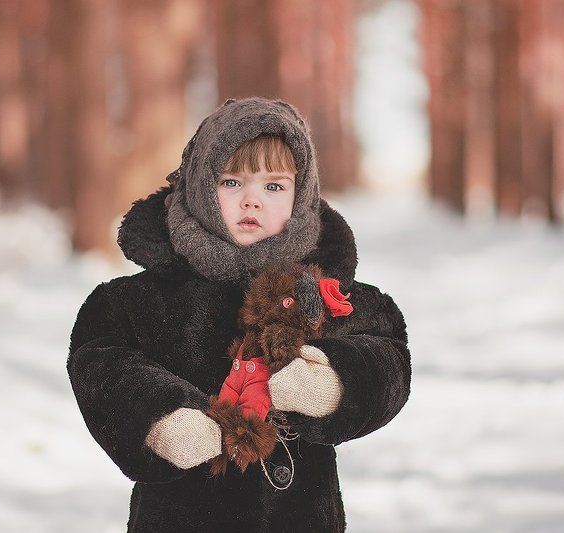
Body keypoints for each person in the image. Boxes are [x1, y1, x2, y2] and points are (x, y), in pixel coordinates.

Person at [67, 96, 411, 532]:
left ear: (300, 193)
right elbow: (101, 360)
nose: (252, 201)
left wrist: (336, 381)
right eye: (231, 183)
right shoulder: (143, 299)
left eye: (273, 186)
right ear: (198, 186)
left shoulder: (322, 290)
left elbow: (387, 352)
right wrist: (160, 417)